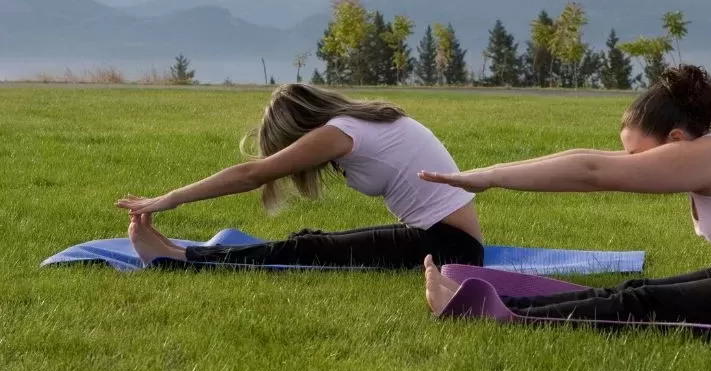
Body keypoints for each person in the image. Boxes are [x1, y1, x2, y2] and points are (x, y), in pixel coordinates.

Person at [419, 64, 711, 329]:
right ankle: (503, 306)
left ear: (674, 138)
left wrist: (491, 177)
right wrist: (490, 174)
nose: (628, 162)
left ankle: (491, 313)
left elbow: (591, 173)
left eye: (636, 155)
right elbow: (589, 157)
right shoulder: (710, 147)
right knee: (639, 289)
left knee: (644, 306)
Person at [116, 84, 484, 270]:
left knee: (307, 251)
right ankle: (180, 253)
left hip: (449, 248)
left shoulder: (340, 132)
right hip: (442, 239)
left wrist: (172, 197)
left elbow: (252, 174)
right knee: (310, 242)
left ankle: (183, 260)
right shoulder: (358, 122)